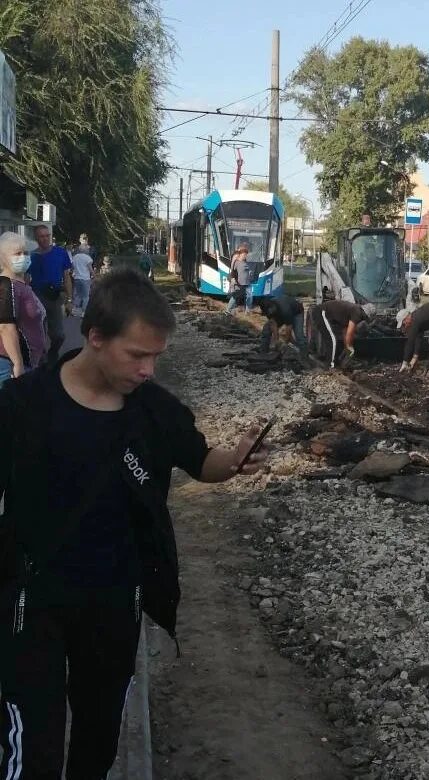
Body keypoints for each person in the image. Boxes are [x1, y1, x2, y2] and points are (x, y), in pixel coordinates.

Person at [0, 268, 268, 779]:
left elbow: (201, 462)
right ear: (95, 338)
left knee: (99, 738)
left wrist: (232, 461)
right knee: (33, 747)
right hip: (31, 604)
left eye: (157, 357)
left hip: (115, 603)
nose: (148, 370)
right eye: (137, 355)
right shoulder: (22, 407)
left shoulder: (155, 413)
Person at [0, 233, 48, 386]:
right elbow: (5, 327)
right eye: (17, 253)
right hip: (11, 365)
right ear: (3, 258)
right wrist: (18, 364)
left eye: (26, 253)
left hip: (29, 362)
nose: (23, 257)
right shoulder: (6, 285)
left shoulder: (20, 283)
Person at [29, 225, 73, 365]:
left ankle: (53, 351)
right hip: (36, 297)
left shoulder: (60, 253)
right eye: (42, 236)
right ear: (36, 238)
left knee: (59, 335)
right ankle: (42, 360)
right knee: (38, 333)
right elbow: (24, 277)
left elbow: (67, 277)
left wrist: (69, 299)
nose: (45, 238)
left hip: (55, 297)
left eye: (47, 235)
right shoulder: (31, 255)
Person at [311, 299, 375, 368]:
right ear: (365, 313)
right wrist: (350, 348)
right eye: (366, 318)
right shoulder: (357, 312)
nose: (364, 320)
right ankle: (330, 367)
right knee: (332, 340)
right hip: (321, 312)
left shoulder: (352, 312)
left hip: (325, 314)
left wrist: (347, 348)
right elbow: (350, 333)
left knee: (334, 339)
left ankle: (335, 361)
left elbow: (345, 332)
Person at [71, 243, 95, 317]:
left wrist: (73, 273)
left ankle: (75, 310)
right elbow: (90, 268)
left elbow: (72, 267)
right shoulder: (87, 258)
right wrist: (94, 275)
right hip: (85, 278)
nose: (88, 250)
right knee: (86, 296)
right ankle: (84, 312)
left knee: (78, 294)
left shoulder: (75, 257)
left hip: (77, 278)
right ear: (85, 250)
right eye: (87, 249)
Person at [226, 247, 250, 315]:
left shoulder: (244, 261)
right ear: (240, 254)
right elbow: (233, 271)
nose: (245, 256)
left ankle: (233, 310)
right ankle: (228, 310)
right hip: (238, 282)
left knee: (240, 296)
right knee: (235, 296)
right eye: (244, 254)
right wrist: (234, 280)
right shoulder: (236, 260)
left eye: (246, 254)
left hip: (244, 283)